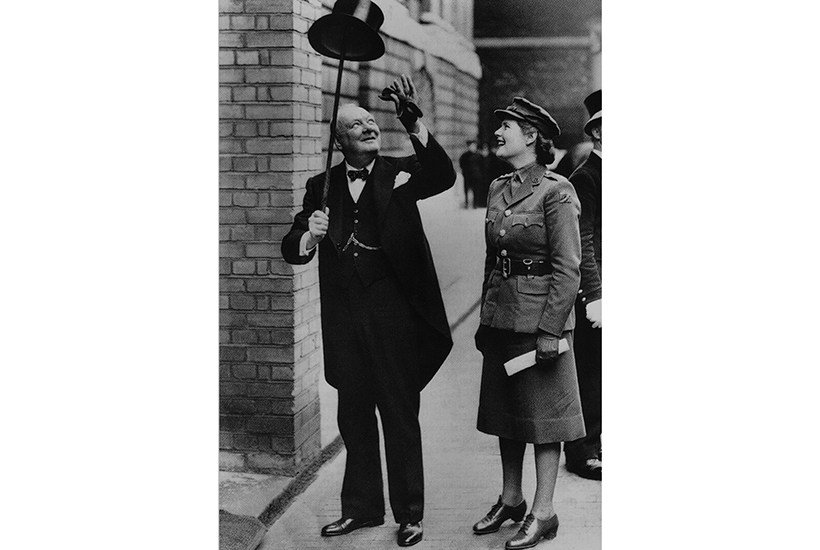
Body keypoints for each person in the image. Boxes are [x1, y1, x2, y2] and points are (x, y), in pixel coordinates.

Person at [281, 74, 455, 547]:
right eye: (357, 124)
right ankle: (360, 509)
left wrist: (412, 122)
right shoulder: (320, 187)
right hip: (345, 321)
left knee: (400, 415)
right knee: (354, 417)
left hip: (394, 318)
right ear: (339, 141)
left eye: (372, 122)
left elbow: (443, 175)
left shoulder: (400, 171)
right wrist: (310, 235)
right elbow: (291, 247)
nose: (370, 126)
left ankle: (410, 514)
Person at [472, 97, 584, 549]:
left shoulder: (557, 191)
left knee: (543, 419)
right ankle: (511, 499)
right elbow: (492, 259)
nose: (498, 133)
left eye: (507, 127)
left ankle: (544, 511)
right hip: (502, 318)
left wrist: (551, 330)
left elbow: (568, 268)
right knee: (507, 414)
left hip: (539, 322)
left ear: (532, 136)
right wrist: (486, 318)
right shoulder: (498, 186)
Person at [563, 89, 603, 481]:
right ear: (599, 132)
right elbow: (582, 240)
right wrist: (594, 296)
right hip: (597, 291)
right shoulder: (586, 176)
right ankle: (582, 451)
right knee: (589, 371)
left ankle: (599, 442)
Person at [460, 139, 484, 208]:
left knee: (476, 190)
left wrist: (480, 173)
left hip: (476, 175)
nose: (473, 147)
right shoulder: (464, 156)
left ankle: (475, 204)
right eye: (471, 146)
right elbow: (462, 164)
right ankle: (466, 203)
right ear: (469, 147)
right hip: (467, 175)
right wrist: (465, 171)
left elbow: (482, 165)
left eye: (474, 146)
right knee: (466, 190)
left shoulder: (479, 155)